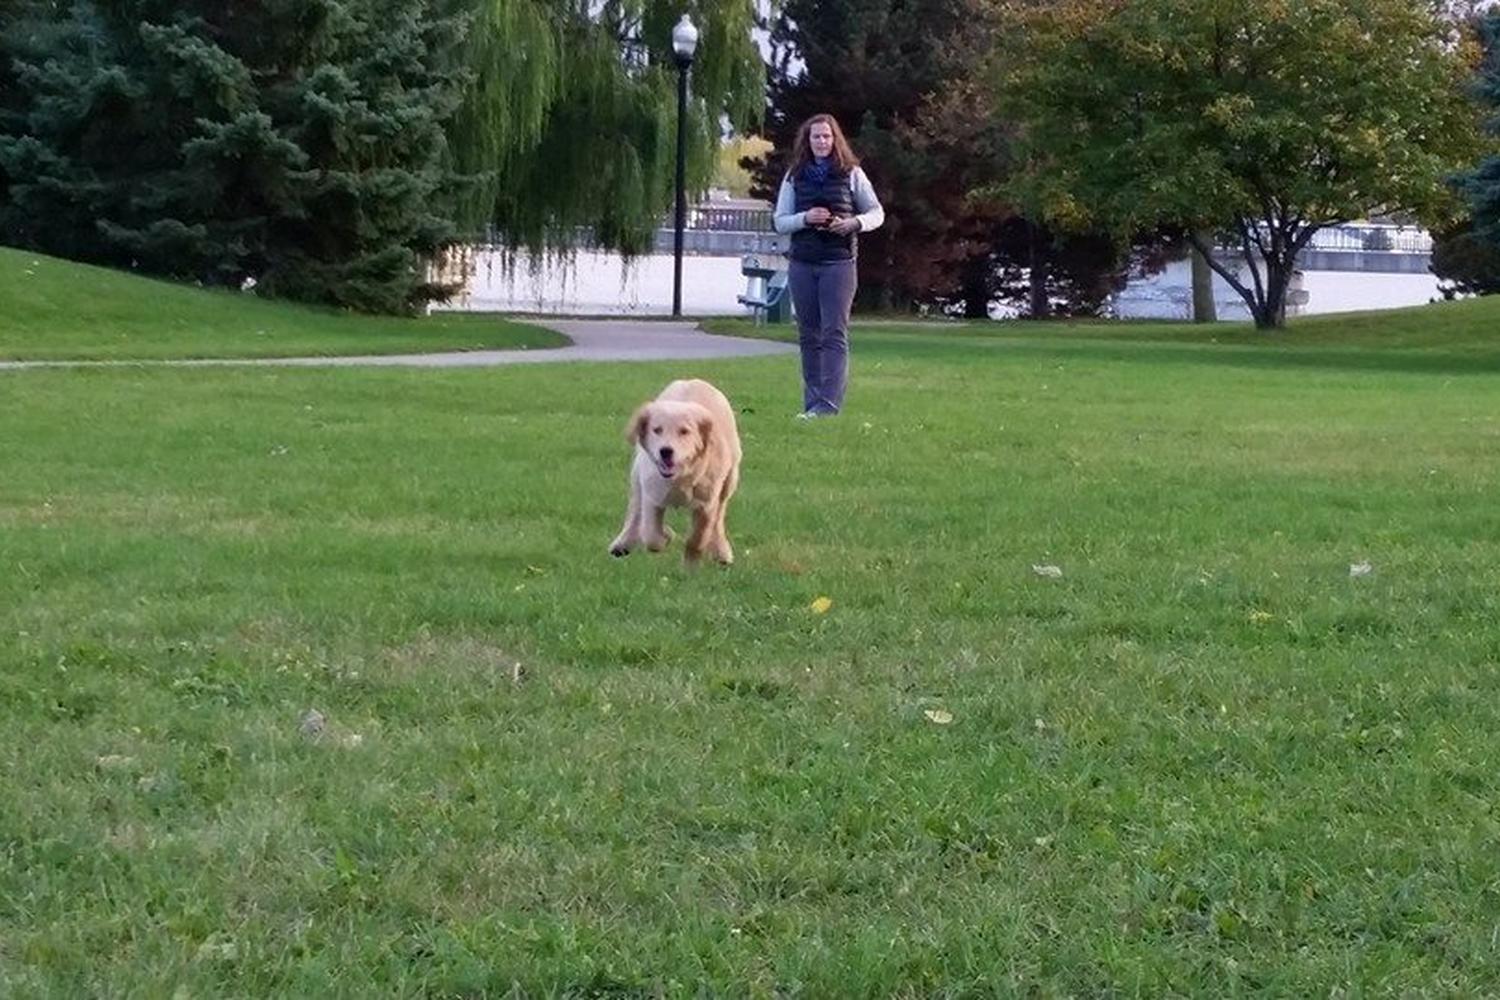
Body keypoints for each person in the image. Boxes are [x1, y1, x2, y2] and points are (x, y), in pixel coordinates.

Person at [772, 113, 884, 418]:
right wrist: (805, 219)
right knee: (809, 335)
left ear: (835, 140)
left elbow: (877, 212)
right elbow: (780, 222)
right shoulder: (794, 176)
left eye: (826, 136)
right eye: (816, 137)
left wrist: (852, 223)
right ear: (807, 141)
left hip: (839, 263)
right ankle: (812, 404)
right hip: (803, 263)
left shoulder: (852, 173)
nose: (821, 142)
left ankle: (828, 406)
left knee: (834, 333)